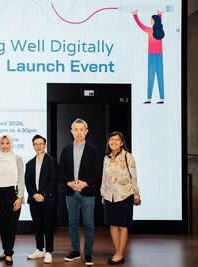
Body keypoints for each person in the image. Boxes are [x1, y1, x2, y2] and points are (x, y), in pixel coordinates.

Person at [58, 118, 102, 266]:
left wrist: (86, 183)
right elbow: (61, 171)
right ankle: (75, 251)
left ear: (86, 131)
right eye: (75, 130)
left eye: (81, 129)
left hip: (88, 192)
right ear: (71, 132)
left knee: (89, 223)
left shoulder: (94, 150)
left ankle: (88, 253)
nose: (78, 132)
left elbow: (97, 172)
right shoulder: (65, 150)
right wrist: (69, 183)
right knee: (73, 223)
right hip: (71, 192)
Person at [101, 132, 141, 265]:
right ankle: (118, 252)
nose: (113, 142)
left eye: (116, 140)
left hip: (124, 195)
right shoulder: (106, 158)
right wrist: (103, 194)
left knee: (122, 226)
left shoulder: (127, 157)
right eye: (111, 139)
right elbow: (104, 178)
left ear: (122, 143)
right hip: (109, 196)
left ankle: (120, 254)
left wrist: (136, 195)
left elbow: (134, 177)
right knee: (112, 225)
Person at [0, 135, 24, 266]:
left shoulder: (17, 159)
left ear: (11, 144)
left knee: (12, 226)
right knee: (3, 227)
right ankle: (6, 251)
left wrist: (20, 197)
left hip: (13, 195)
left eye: (7, 143)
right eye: (2, 143)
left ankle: (8, 254)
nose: (5, 146)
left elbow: (21, 179)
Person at [25, 135, 57, 264]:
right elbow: (27, 182)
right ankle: (39, 249)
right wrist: (34, 195)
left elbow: (53, 180)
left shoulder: (52, 161)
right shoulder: (29, 163)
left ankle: (48, 251)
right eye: (36, 144)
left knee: (48, 225)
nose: (38, 146)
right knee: (37, 225)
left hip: (47, 199)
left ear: (45, 145)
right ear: (33, 146)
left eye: (41, 143)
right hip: (34, 200)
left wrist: (42, 194)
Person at [132, 10, 165, 104]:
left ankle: (150, 99)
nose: (150, 21)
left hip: (152, 56)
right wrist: (159, 15)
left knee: (152, 77)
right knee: (158, 76)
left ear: (154, 21)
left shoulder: (151, 31)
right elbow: (159, 22)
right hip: (158, 56)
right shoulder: (159, 31)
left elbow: (141, 25)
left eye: (151, 20)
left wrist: (135, 16)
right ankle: (159, 98)